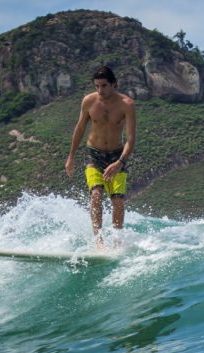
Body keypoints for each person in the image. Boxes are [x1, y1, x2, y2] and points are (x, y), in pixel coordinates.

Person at [65, 66, 136, 246]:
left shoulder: (126, 104)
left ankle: (117, 241)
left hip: (117, 156)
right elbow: (80, 128)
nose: (100, 90)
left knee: (118, 201)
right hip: (93, 154)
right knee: (96, 194)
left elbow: (130, 139)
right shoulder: (89, 101)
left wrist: (120, 162)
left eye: (104, 86)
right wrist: (71, 156)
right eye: (96, 86)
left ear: (114, 84)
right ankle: (98, 240)